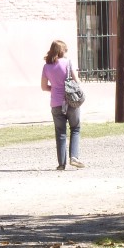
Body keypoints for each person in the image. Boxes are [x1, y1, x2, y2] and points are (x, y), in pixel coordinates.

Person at [41, 39, 85, 170]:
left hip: (55, 103)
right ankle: (74, 157)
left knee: (60, 133)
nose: (66, 53)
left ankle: (61, 164)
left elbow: (44, 87)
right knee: (75, 129)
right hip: (71, 102)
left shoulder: (46, 67)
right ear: (61, 51)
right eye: (65, 50)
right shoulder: (68, 63)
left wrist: (55, 88)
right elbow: (77, 82)